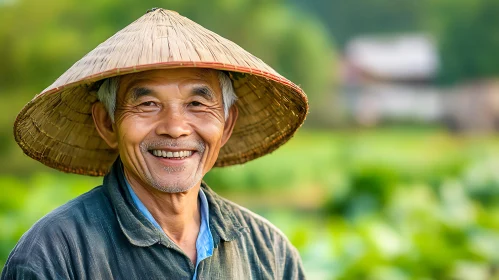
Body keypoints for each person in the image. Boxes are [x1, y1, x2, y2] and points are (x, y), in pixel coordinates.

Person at [2, 8, 308, 280]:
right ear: (108, 124)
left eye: (197, 104)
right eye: (147, 103)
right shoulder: (53, 255)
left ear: (226, 124)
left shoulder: (269, 252)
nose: (175, 128)